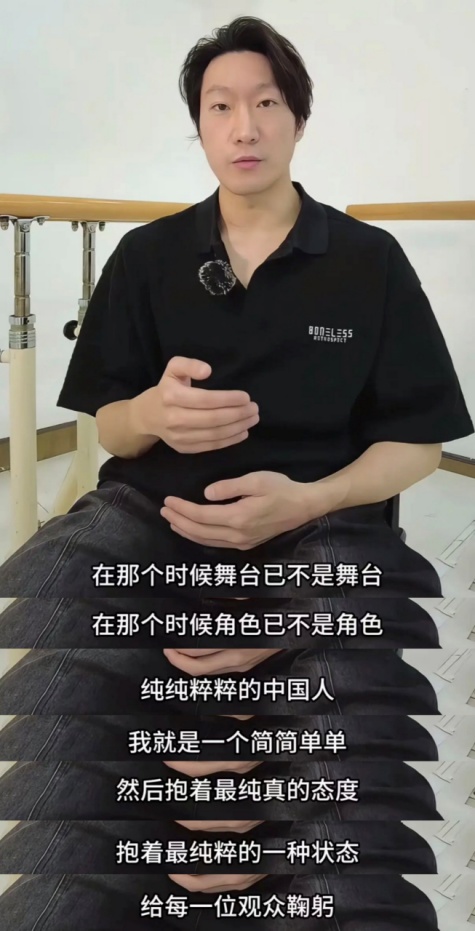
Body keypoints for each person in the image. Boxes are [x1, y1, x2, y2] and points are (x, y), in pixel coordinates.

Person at [0, 14, 472, 600]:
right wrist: (148, 414)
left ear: (299, 121)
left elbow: (421, 441)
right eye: (220, 107)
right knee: (47, 637)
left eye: (267, 103)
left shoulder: (370, 259)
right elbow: (115, 431)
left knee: (344, 657)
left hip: (323, 522)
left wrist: (313, 499)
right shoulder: (145, 255)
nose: (244, 130)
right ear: (200, 127)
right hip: (150, 515)